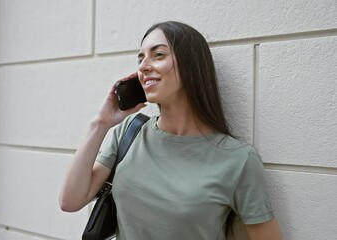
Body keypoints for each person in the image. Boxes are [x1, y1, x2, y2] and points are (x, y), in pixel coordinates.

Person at [59, 21, 281, 240]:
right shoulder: (130, 132)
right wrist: (100, 124)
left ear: (190, 65)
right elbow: (70, 201)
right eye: (141, 58)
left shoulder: (238, 159)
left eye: (158, 55)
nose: (144, 66)